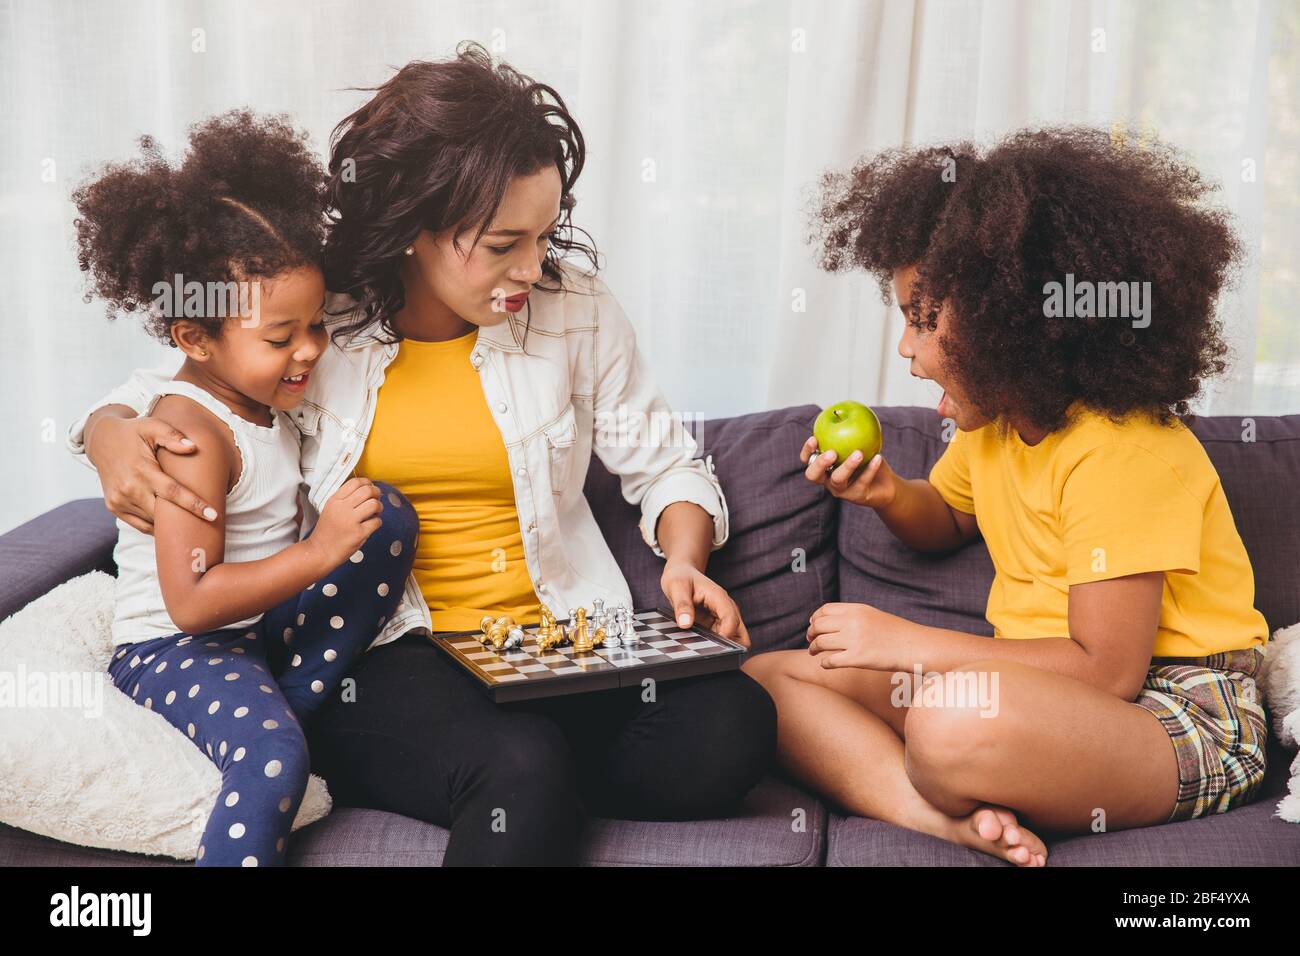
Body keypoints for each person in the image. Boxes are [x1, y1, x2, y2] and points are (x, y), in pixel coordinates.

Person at [69, 45, 776, 865]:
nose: (533, 267)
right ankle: (507, 772)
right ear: (414, 229)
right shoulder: (311, 311)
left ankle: (502, 772)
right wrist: (104, 428)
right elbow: (185, 372)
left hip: (554, 641)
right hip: (393, 650)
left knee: (732, 726)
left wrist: (685, 559)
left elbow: (665, 461)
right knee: (520, 766)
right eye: (504, 241)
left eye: (545, 235)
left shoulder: (572, 310)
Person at [744, 128, 1269, 867]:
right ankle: (940, 822)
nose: (906, 350)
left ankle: (961, 770)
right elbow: (950, 516)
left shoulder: (1123, 448)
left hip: (1175, 712)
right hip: (1030, 696)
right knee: (768, 679)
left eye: (924, 320)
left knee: (949, 722)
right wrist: (888, 493)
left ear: (1013, 323)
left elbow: (1107, 669)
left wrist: (907, 643)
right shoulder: (995, 432)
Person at [72, 110, 417, 866]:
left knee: (385, 517)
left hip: (250, 633)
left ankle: (286, 708)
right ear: (195, 340)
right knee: (273, 760)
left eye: (316, 325)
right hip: (177, 650)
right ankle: (274, 736)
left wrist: (341, 541)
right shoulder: (192, 435)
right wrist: (321, 551)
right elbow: (192, 605)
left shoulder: (259, 402)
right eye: (279, 338)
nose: (308, 351)